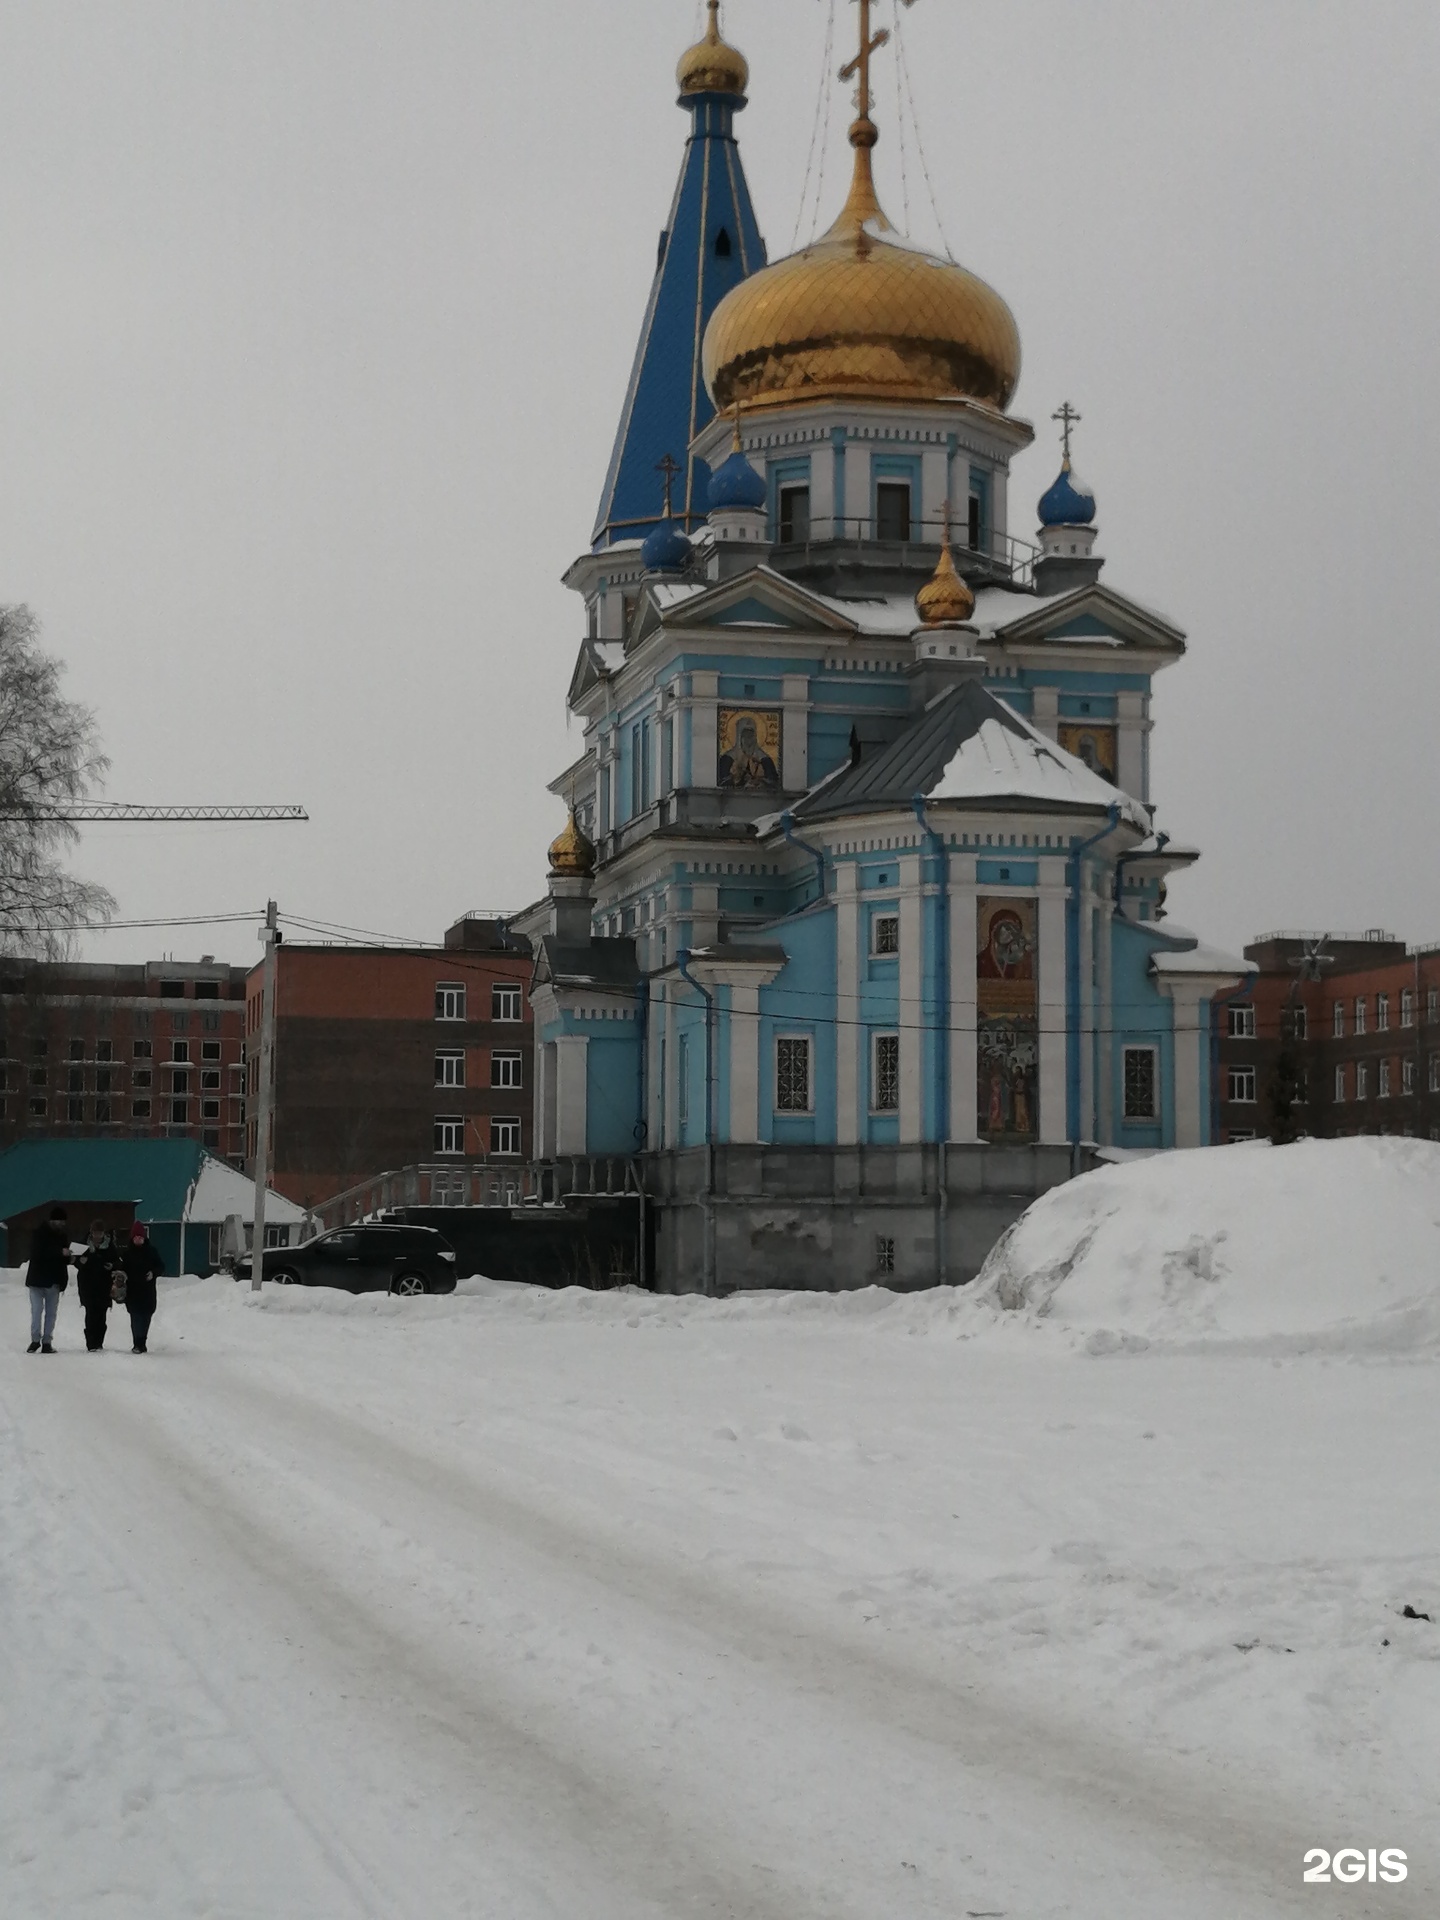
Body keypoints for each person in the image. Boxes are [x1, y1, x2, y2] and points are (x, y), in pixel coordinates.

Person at [25, 1207, 73, 1353]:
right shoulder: (39, 1234)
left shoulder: (62, 1236)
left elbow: (61, 1258)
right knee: (37, 1311)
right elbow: (38, 1253)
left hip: (54, 1280)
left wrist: (69, 1258)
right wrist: (60, 1252)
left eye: (63, 1221)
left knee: (51, 1313)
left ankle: (46, 1341)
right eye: (60, 1221)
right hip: (38, 1281)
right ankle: (35, 1339)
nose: (61, 1224)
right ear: (53, 1220)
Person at [76, 1221, 121, 1352]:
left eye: (100, 1233)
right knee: (90, 1314)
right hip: (87, 1284)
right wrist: (80, 1262)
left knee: (101, 1315)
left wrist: (112, 1266)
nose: (97, 1235)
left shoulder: (110, 1246)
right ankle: (91, 1343)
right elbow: (72, 1259)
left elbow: (117, 1261)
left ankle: (99, 1342)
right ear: (91, 1232)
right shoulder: (82, 1243)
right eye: (95, 1233)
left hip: (104, 1285)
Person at [120, 1221, 164, 1354]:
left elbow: (161, 1266)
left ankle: (142, 1341)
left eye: (140, 1237)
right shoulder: (127, 1254)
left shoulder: (152, 1251)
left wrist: (153, 1273)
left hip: (148, 1291)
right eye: (136, 1237)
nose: (138, 1240)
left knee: (146, 1317)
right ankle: (137, 1343)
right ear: (132, 1238)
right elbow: (122, 1268)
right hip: (133, 1291)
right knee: (135, 1317)